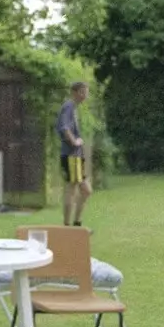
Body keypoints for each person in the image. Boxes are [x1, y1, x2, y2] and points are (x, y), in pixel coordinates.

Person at [56, 81, 92, 226]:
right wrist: (74, 141)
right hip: (71, 155)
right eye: (83, 92)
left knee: (86, 191)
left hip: (76, 157)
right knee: (72, 188)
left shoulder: (73, 108)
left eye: (87, 92)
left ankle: (76, 222)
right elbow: (64, 128)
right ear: (75, 92)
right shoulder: (69, 106)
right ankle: (67, 225)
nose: (85, 95)